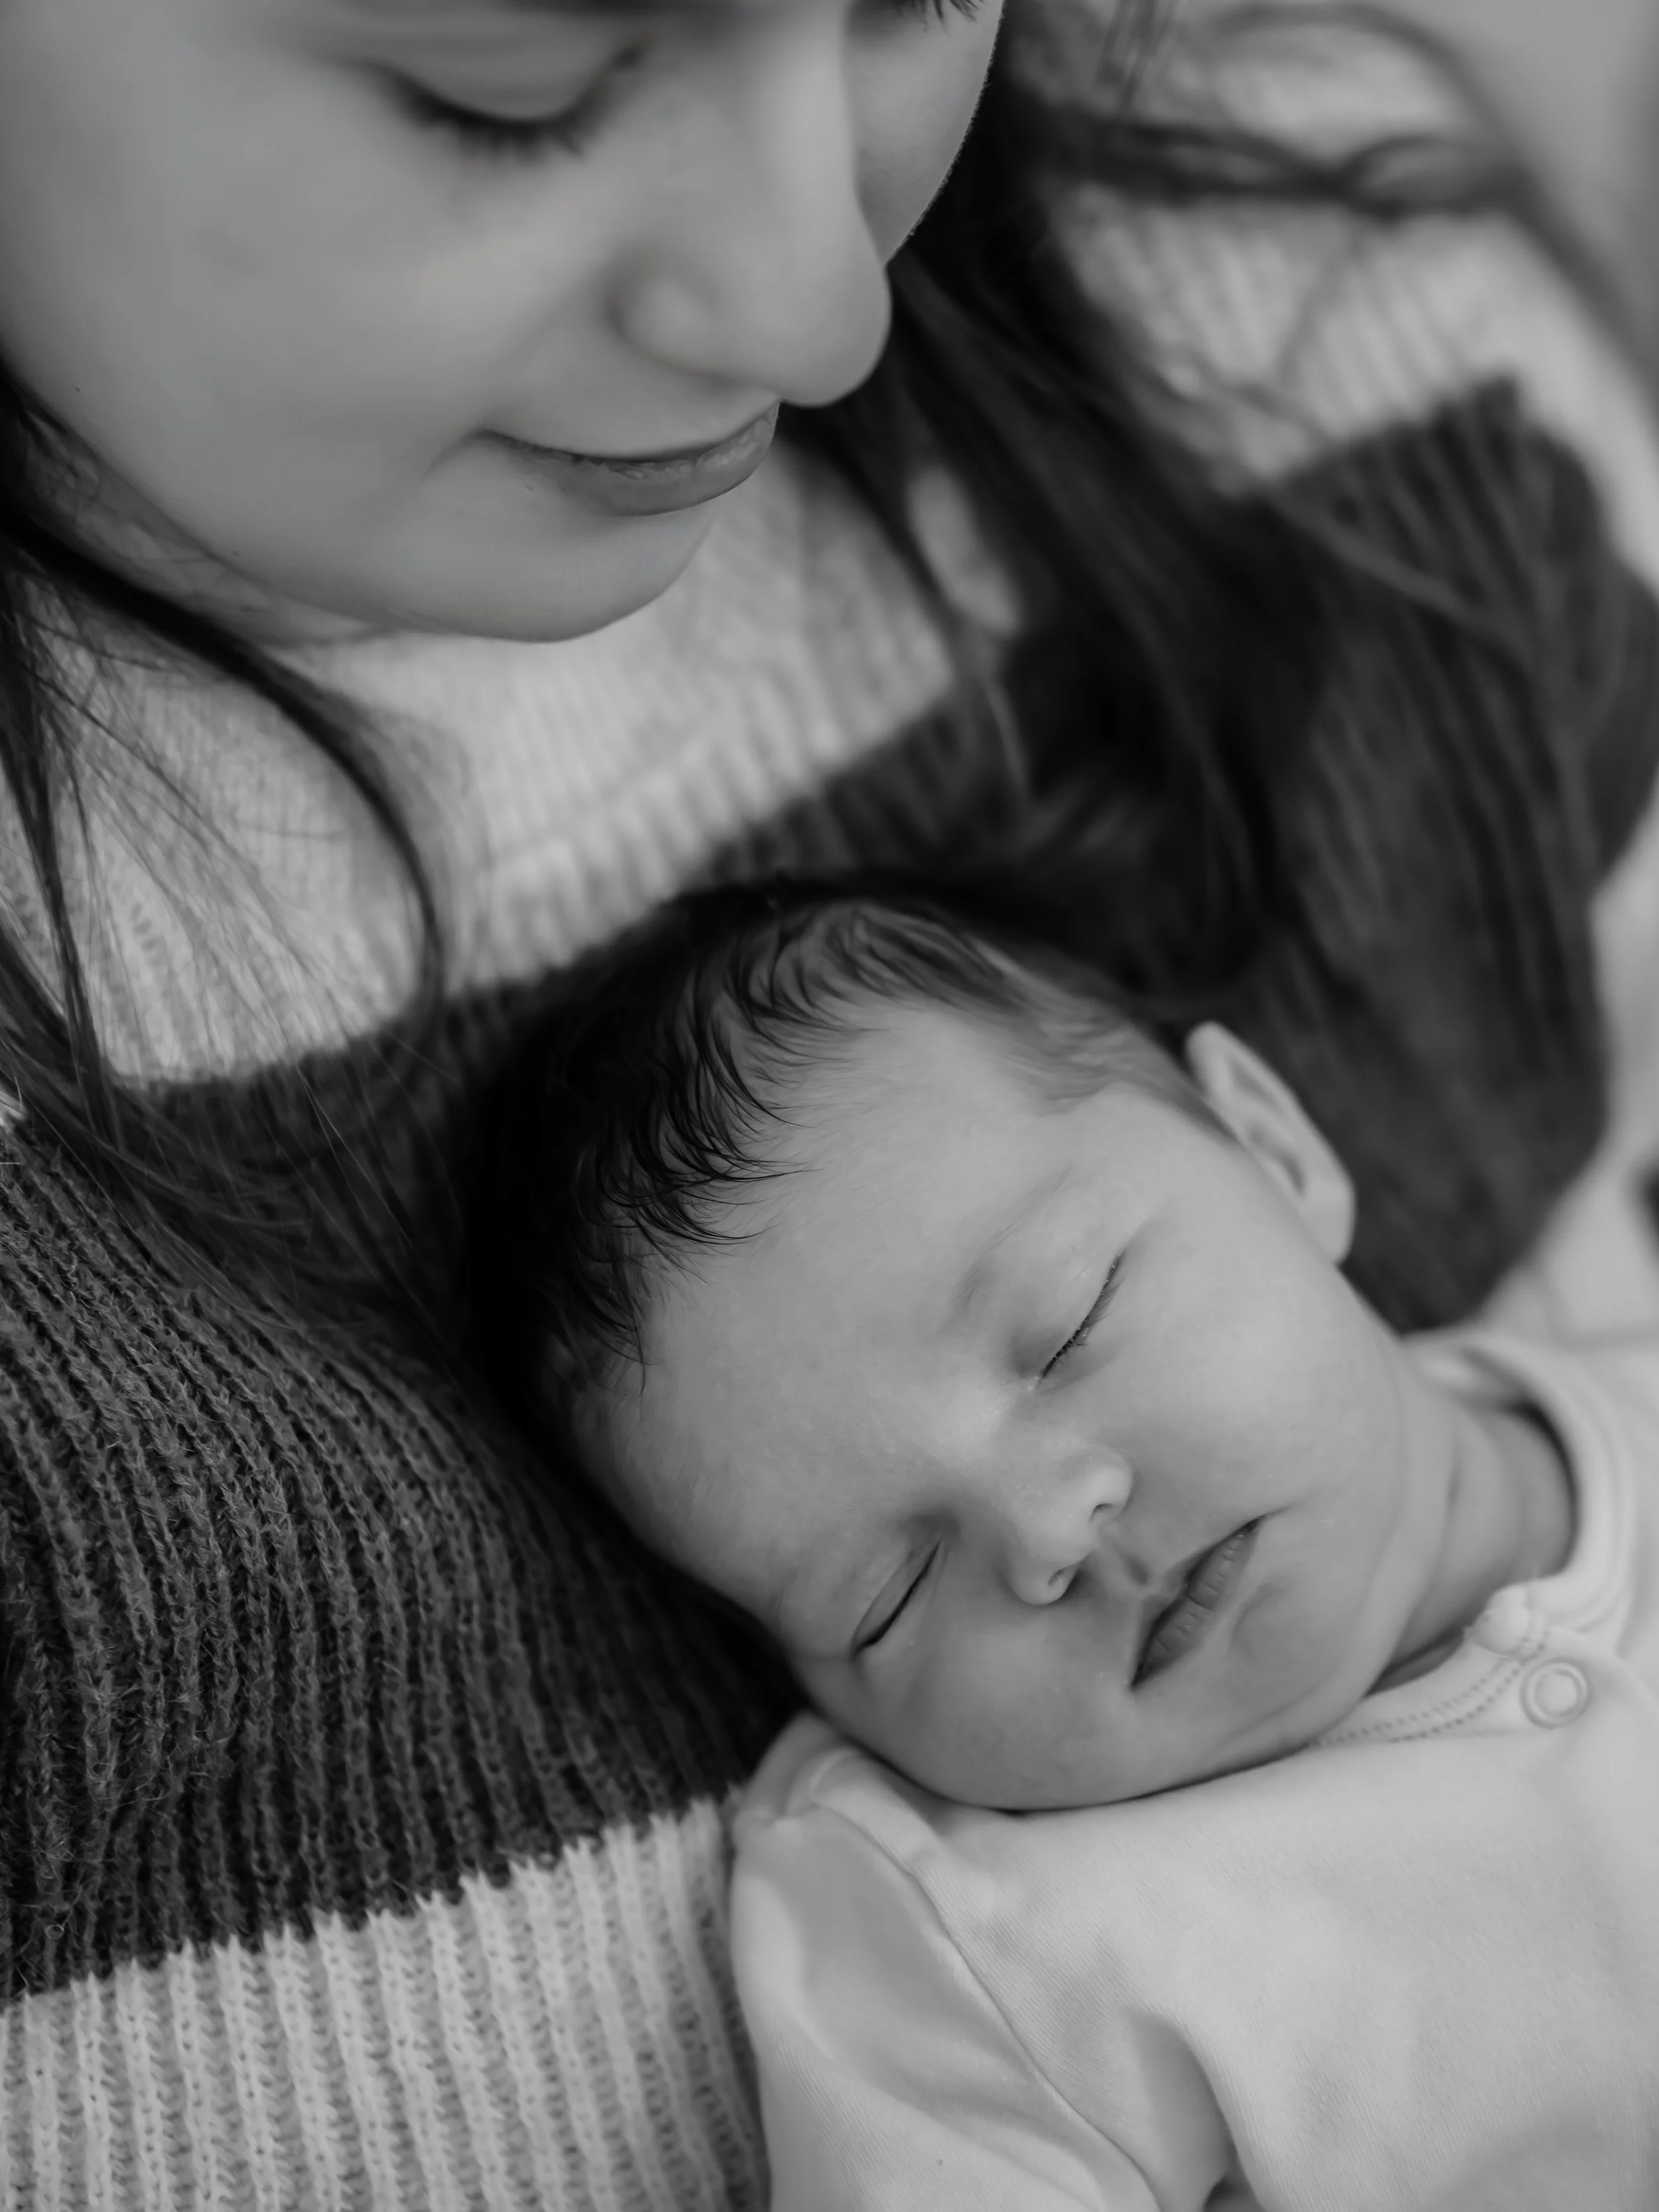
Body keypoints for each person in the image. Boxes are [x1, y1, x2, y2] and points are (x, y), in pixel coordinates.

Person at [3, 0, 1659, 2203]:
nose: (822, 302)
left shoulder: (1318, 301)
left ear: (1271, 1142)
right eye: (505, 85)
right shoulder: (978, 1950)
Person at [492, 875, 1659, 2208]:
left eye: (1065, 1331)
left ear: (1271, 1150)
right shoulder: (956, 1920)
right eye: (885, 1595)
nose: (1046, 1532)